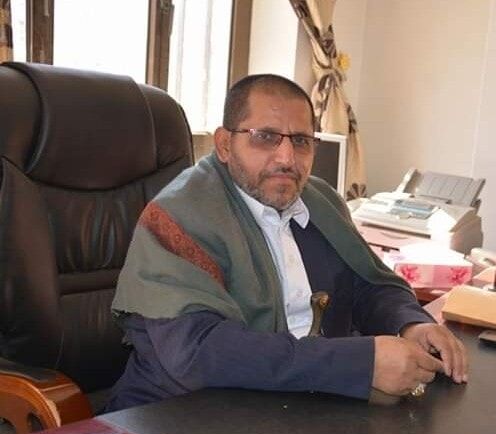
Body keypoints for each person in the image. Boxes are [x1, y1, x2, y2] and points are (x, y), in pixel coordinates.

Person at [104, 74, 468, 411]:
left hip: (299, 408)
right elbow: (197, 352)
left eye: (301, 141)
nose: (287, 158)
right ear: (225, 144)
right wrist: (360, 363)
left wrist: (410, 324)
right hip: (180, 417)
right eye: (265, 137)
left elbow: (366, 286)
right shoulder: (179, 216)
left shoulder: (321, 201)